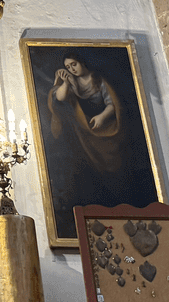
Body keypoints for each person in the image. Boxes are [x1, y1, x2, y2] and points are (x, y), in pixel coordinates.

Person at [48, 53, 134, 206]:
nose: (72, 69)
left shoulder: (98, 80)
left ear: (82, 62)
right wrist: (66, 82)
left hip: (105, 130)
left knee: (115, 173)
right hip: (84, 134)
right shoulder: (72, 82)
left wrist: (102, 117)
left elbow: (111, 103)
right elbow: (59, 98)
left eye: (74, 64)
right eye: (68, 67)